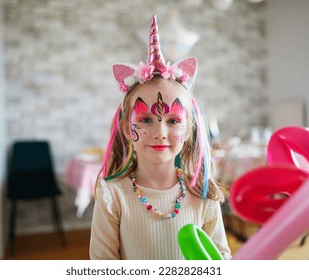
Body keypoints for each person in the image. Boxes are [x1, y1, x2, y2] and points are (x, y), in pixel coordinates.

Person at [90, 15, 231, 260]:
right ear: (126, 128)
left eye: (174, 121)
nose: (160, 133)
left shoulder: (203, 193)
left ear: (187, 130)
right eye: (145, 120)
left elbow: (220, 258)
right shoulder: (112, 194)